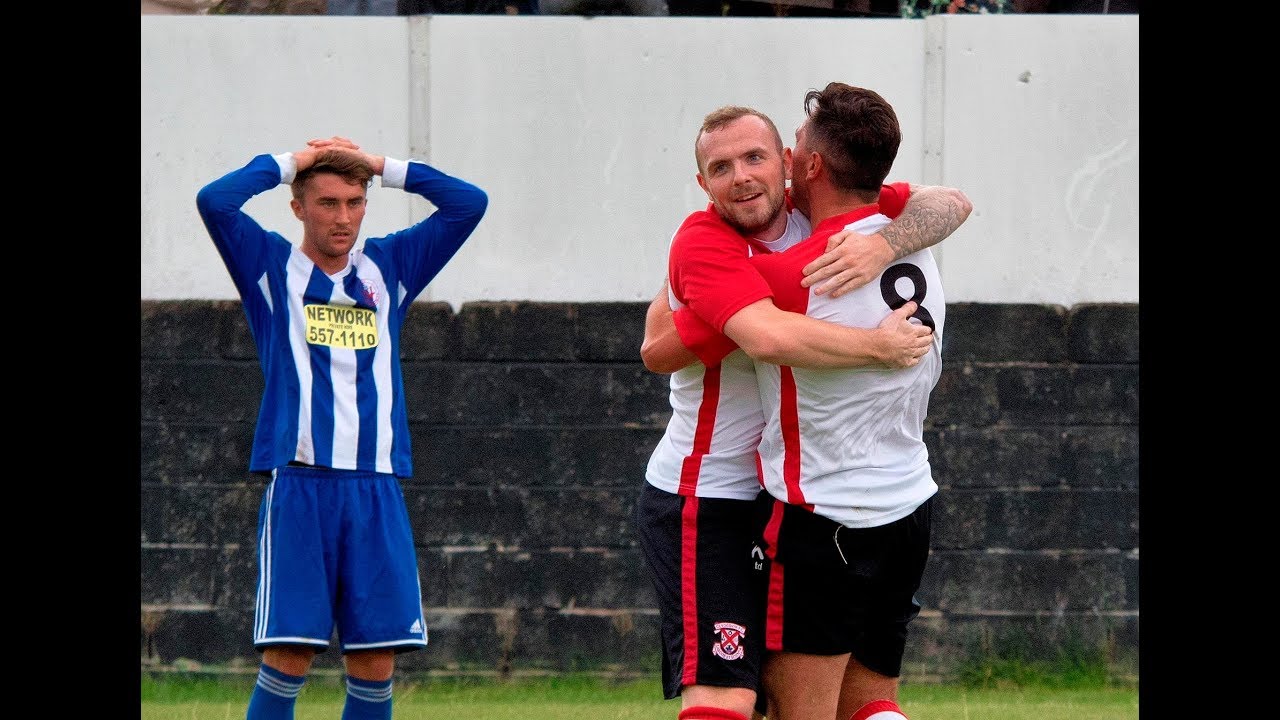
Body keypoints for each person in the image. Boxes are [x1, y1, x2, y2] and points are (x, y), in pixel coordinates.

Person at [636, 105, 970, 720]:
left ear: (791, 164)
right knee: (730, 693)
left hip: (794, 498)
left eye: (754, 157)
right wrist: (878, 347)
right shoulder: (706, 243)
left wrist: (882, 245)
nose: (741, 176)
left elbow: (950, 201)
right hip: (710, 494)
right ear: (702, 183)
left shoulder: (823, 224)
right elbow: (667, 349)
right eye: (721, 167)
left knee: (827, 701)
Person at [195, 136, 487, 720]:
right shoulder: (269, 266)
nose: (343, 217)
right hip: (301, 483)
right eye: (327, 202)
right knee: (289, 654)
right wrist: (293, 163)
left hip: (376, 485)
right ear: (298, 207)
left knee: (376, 659)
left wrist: (379, 165)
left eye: (355, 202)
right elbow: (215, 201)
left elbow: (468, 204)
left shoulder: (389, 266)